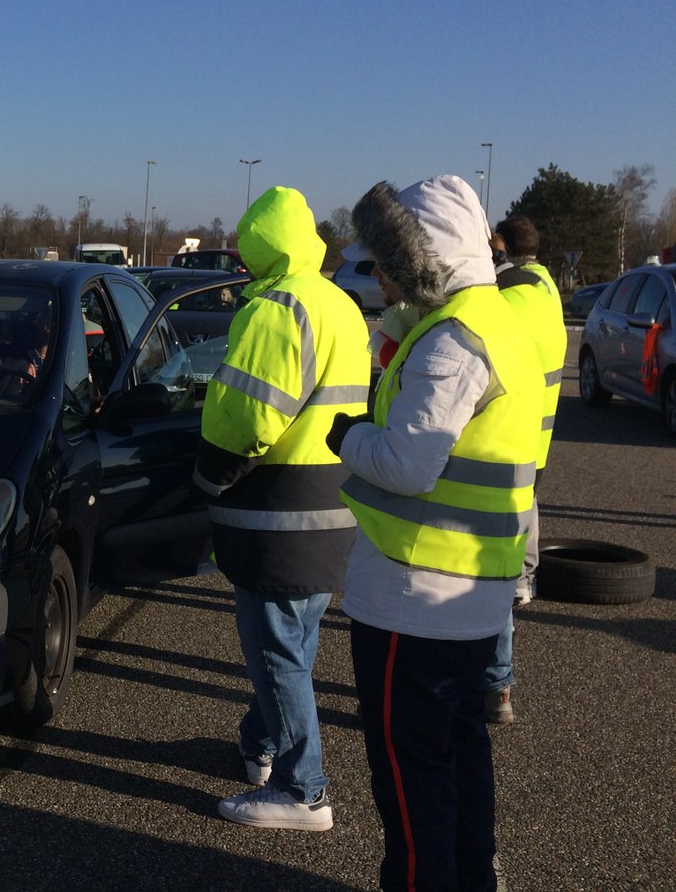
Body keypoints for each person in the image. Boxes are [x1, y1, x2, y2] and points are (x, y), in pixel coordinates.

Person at [329, 175, 542, 892]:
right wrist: (401, 316)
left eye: (390, 263)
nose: (381, 279)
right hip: (470, 588)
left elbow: (406, 462)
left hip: (413, 594)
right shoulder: (492, 319)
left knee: (410, 771)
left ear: (424, 260)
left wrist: (346, 436)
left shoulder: (452, 343)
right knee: (460, 754)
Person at [191, 186, 371, 832]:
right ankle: (260, 744)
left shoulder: (276, 307)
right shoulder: (338, 303)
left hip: (277, 511)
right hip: (332, 503)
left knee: (276, 650)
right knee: (294, 640)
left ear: (260, 246)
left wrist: (208, 477)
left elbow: (247, 416)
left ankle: (304, 790)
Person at [482, 215, 567, 725]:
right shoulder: (543, 287)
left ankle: (494, 682)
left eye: (492, 246)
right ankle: (496, 685)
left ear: (506, 247)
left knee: (488, 568)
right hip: (530, 440)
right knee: (500, 560)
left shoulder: (512, 297)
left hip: (500, 444)